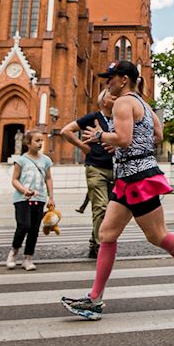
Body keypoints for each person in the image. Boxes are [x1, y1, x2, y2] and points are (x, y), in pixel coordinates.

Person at [61, 60, 174, 320]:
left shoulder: (124, 103)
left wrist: (102, 137)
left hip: (137, 177)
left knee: (158, 236)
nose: (107, 82)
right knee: (107, 234)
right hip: (129, 176)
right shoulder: (142, 103)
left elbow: (124, 138)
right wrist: (124, 143)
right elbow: (156, 134)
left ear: (124, 79)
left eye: (110, 78)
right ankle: (94, 299)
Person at [61, 90, 114, 259]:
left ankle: (94, 241)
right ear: (104, 100)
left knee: (107, 210)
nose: (117, 97)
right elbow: (66, 131)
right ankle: (100, 246)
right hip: (95, 168)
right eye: (112, 95)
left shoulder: (119, 118)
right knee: (101, 207)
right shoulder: (93, 118)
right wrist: (82, 146)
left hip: (115, 169)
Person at [8, 130, 55, 271]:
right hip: (22, 198)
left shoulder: (46, 160)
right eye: (37, 140)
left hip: (39, 198)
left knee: (34, 229)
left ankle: (28, 258)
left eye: (42, 140)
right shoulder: (21, 160)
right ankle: (14, 252)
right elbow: (14, 179)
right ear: (28, 143)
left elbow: (48, 178)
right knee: (24, 225)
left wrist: (50, 197)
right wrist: (24, 190)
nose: (40, 143)